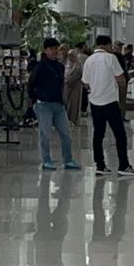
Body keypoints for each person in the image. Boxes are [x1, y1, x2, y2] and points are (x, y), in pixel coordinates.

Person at [82, 35, 134, 177]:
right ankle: (123, 165)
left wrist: (95, 89)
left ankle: (100, 166)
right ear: (107, 45)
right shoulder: (110, 58)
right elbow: (121, 80)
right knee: (120, 134)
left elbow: (85, 83)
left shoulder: (89, 60)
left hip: (95, 103)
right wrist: (122, 101)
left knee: (98, 134)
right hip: (110, 102)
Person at [29, 38, 77, 171]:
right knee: (45, 134)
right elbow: (31, 83)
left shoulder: (60, 67)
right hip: (44, 105)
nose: (54, 51)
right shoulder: (40, 66)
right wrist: (34, 100)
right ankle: (46, 160)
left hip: (58, 105)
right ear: (45, 50)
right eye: (51, 49)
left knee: (66, 134)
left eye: (56, 48)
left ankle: (68, 159)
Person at [64, 44, 85, 125]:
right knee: (66, 101)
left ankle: (73, 119)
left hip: (76, 86)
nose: (70, 57)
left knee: (74, 103)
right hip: (67, 87)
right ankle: (66, 118)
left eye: (72, 56)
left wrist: (70, 80)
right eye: (69, 56)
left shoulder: (78, 65)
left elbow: (79, 74)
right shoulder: (67, 64)